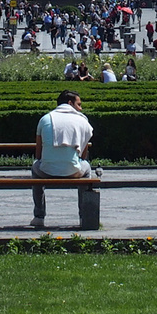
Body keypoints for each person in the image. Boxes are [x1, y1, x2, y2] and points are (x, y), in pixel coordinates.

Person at [30, 90, 95, 229]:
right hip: (73, 170)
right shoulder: (82, 120)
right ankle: (84, 216)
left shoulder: (45, 119)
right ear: (70, 103)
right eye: (79, 104)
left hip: (46, 170)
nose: (80, 108)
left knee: (35, 167)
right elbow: (83, 156)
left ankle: (39, 216)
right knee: (87, 169)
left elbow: (38, 154)